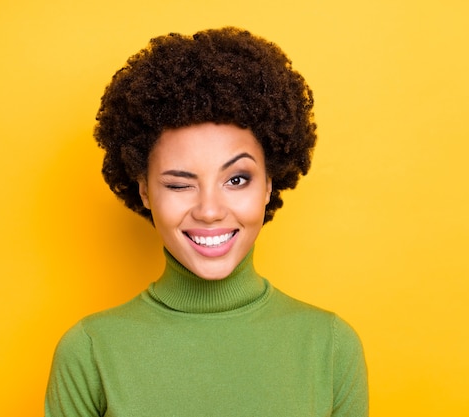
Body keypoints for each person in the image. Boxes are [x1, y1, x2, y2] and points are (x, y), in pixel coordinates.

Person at [45, 26, 368, 416]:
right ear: (145, 191)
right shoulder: (90, 352)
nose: (210, 210)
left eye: (236, 179)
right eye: (180, 184)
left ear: (268, 184)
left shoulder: (330, 347)